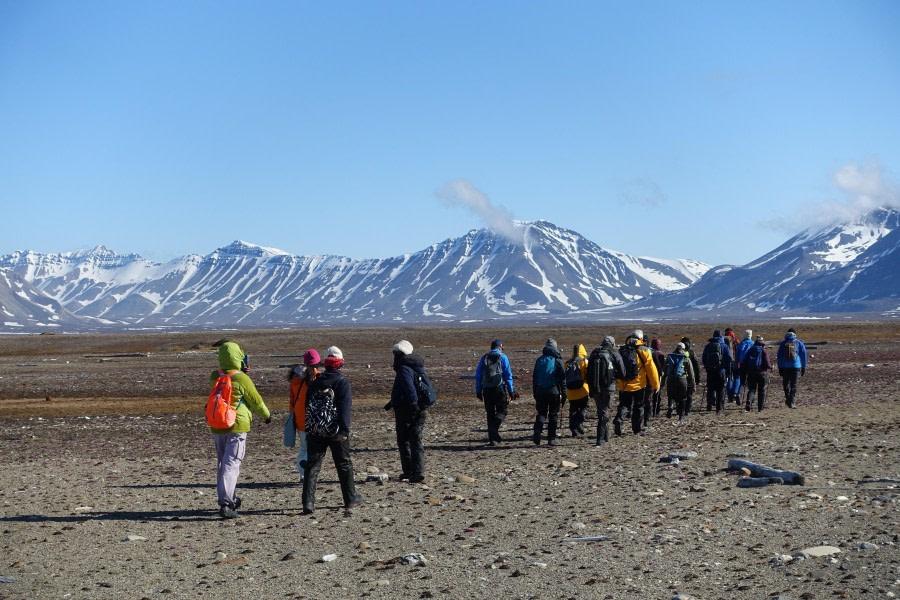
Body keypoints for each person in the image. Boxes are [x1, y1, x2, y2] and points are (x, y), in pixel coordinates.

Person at [208, 341, 271, 519]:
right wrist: (267, 415)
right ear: (239, 357)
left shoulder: (215, 376)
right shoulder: (241, 378)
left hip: (217, 423)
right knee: (232, 463)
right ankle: (226, 502)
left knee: (223, 463)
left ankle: (230, 497)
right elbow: (256, 401)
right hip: (237, 424)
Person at [301, 346, 363, 514]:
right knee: (343, 464)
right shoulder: (342, 383)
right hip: (336, 431)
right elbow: (344, 409)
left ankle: (308, 503)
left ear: (326, 364)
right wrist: (344, 431)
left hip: (315, 430)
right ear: (340, 363)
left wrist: (309, 427)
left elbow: (307, 406)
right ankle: (350, 499)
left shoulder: (314, 383)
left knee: (312, 465)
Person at [389, 340, 428, 482]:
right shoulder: (416, 366)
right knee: (416, 439)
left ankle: (410, 471)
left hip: (407, 408)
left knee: (404, 440)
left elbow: (408, 387)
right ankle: (417, 471)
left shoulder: (404, 369)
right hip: (417, 407)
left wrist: (412, 403)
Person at [614, 330, 660, 436]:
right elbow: (651, 369)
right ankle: (637, 429)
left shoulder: (622, 350)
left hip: (623, 384)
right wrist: (655, 384)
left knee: (624, 405)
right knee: (638, 407)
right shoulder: (644, 350)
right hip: (639, 385)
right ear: (641, 338)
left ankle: (619, 419)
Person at [474, 340, 518, 445]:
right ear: (499, 347)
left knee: (490, 413)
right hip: (499, 388)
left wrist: (478, 390)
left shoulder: (484, 357)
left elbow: (478, 375)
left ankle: (492, 439)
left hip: (486, 389)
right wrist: (511, 391)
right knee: (502, 411)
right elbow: (508, 375)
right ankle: (494, 429)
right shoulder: (503, 357)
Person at [287, 349, 321, 483]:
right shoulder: (316, 378)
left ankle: (302, 474)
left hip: (299, 419)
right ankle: (306, 472)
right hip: (312, 419)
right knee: (311, 448)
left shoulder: (295, 379)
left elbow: (292, 400)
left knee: (303, 447)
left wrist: (293, 415)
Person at [587, 336, 625, 446]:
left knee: (601, 410)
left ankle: (606, 435)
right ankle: (600, 438)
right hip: (609, 387)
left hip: (595, 387)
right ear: (612, 344)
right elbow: (623, 373)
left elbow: (588, 372)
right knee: (605, 411)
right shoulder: (614, 354)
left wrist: (591, 388)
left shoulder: (594, 353)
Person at [532, 338, 567, 446]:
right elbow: (563, 379)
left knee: (541, 413)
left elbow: (535, 377)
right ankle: (551, 438)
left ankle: (537, 430)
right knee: (553, 414)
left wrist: (535, 391)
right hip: (553, 391)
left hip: (540, 390)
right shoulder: (557, 360)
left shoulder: (539, 360)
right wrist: (564, 393)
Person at [701, 329, 733, 414]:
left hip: (710, 371)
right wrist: (728, 371)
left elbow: (704, 358)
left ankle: (710, 402)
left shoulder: (708, 346)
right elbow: (728, 359)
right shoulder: (724, 346)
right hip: (721, 371)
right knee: (720, 389)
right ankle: (719, 408)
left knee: (710, 387)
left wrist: (707, 367)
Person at [663, 342, 695, 421]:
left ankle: (670, 406)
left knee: (671, 396)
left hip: (671, 379)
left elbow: (664, 371)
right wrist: (693, 384)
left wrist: (662, 382)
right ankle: (681, 415)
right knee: (682, 398)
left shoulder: (669, 357)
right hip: (682, 380)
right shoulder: (686, 358)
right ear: (683, 349)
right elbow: (691, 373)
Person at [776, 328, 808, 409]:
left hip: (785, 366)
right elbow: (803, 355)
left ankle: (787, 399)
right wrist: (804, 366)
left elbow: (779, 356)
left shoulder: (783, 343)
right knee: (794, 385)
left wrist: (780, 367)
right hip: (796, 366)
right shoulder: (799, 343)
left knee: (785, 384)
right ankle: (792, 402)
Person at [564, 344, 590, 437]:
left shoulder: (567, 363)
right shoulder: (584, 362)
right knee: (585, 407)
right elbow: (588, 376)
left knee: (573, 410)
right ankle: (579, 422)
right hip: (583, 390)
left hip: (570, 392)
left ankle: (573, 429)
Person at [741, 335, 772, 412]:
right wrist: (770, 367)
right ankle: (760, 408)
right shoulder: (764, 351)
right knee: (761, 390)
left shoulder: (750, 350)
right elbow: (767, 363)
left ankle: (749, 400)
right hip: (762, 374)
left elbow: (745, 362)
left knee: (751, 389)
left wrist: (744, 371)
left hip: (751, 373)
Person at [680, 337, 701, 415]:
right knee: (689, 394)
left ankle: (681, 409)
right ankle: (687, 410)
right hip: (689, 376)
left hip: (680, 376)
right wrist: (697, 377)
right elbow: (696, 365)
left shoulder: (678, 352)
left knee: (681, 393)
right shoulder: (691, 352)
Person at [648, 339, 666, 419]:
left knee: (649, 394)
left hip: (649, 375)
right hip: (658, 376)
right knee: (657, 394)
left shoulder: (649, 352)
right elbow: (662, 366)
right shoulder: (661, 355)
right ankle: (656, 411)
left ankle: (649, 410)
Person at [723, 328, 740, 405]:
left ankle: (730, 398)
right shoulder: (735, 340)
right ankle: (735, 393)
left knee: (728, 378)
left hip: (727, 362)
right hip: (735, 361)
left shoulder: (723, 341)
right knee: (737, 377)